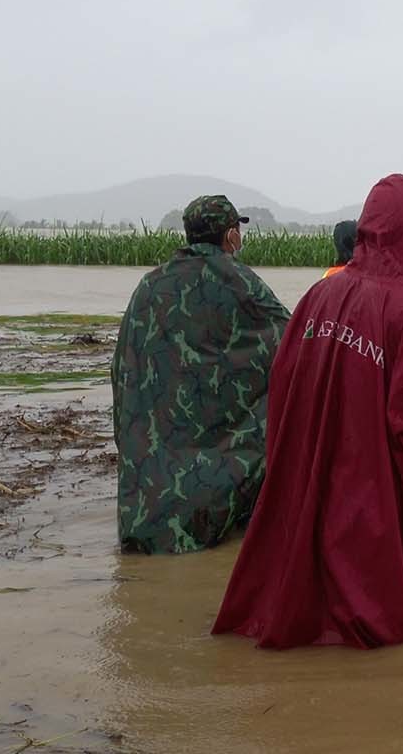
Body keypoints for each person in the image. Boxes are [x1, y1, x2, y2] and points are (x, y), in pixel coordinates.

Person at [212, 174, 403, 649]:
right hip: (372, 475)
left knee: (310, 560)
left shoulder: (320, 294)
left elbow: (283, 380)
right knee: (370, 607)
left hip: (311, 458)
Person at [112, 195, 290, 554]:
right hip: (209, 430)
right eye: (237, 230)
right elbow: (289, 340)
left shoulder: (150, 284)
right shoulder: (240, 281)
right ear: (230, 236)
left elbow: (125, 362)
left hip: (157, 447)